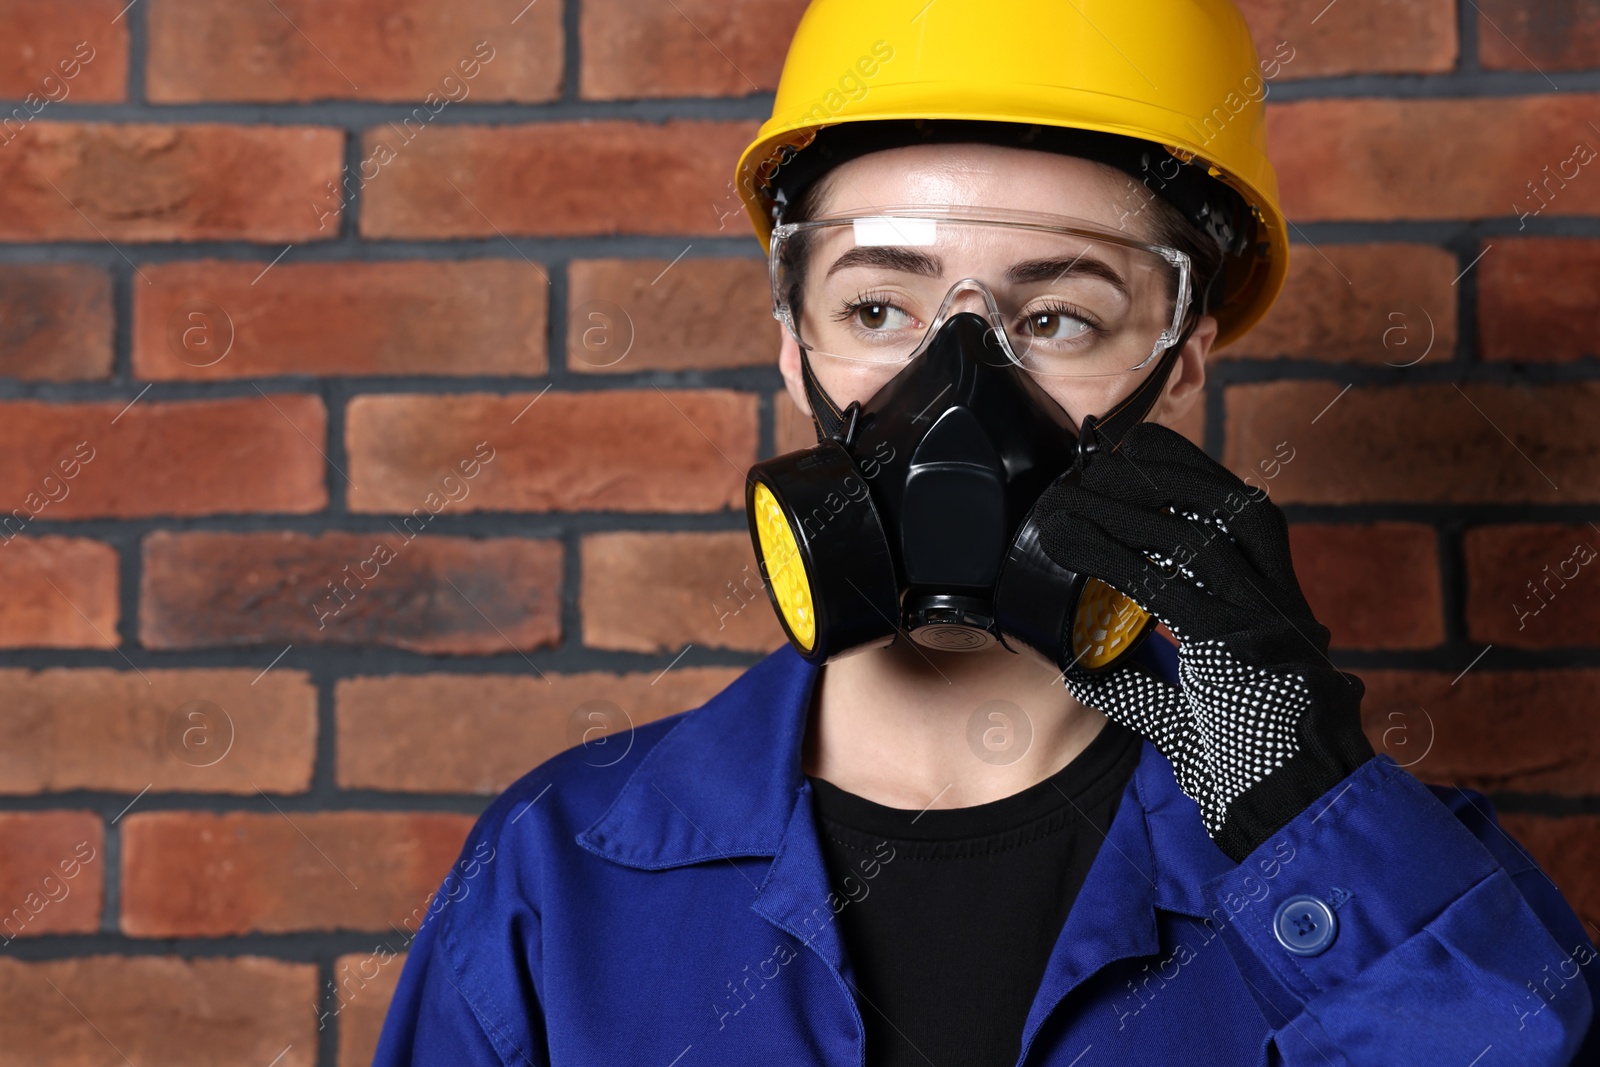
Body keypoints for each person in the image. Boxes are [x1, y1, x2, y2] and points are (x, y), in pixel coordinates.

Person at [372, 1, 1599, 1063]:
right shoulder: (562, 877)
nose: (957, 387)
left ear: (1179, 368)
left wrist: (1312, 822)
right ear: (792, 345)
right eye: (876, 304)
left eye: (1059, 317)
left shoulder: (1397, 878)